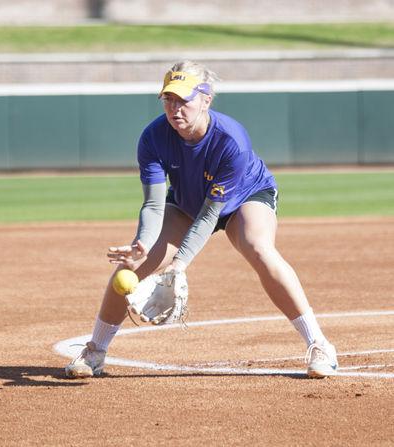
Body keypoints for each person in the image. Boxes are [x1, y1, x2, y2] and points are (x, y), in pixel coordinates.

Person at [65, 60, 338, 379]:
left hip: (245, 198)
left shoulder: (230, 140)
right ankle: (95, 351)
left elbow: (211, 214)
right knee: (130, 268)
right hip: (186, 204)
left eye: (183, 99)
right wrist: (142, 242)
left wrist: (179, 265)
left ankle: (319, 345)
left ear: (206, 99)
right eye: (168, 99)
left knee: (258, 248)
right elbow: (153, 204)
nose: (174, 107)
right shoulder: (154, 137)